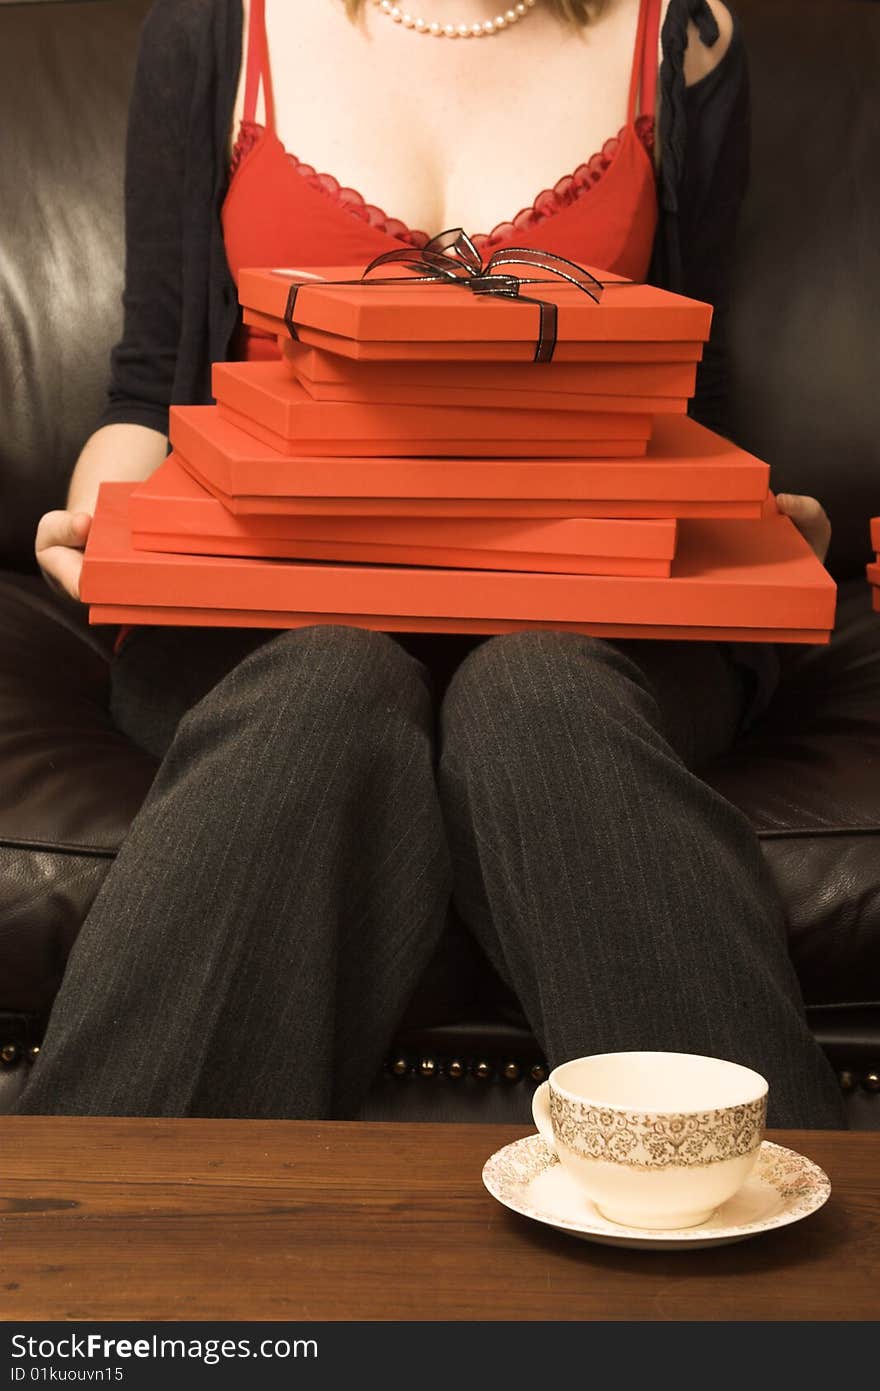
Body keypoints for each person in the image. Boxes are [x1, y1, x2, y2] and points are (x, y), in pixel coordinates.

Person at [17, 0, 846, 1127]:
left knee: (536, 695)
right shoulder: (215, 26)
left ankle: (800, 1274)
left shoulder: (681, 34)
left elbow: (683, 384)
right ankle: (87, 1283)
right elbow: (146, 383)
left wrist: (756, 523)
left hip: (601, 616)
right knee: (331, 685)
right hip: (270, 610)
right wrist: (100, 520)